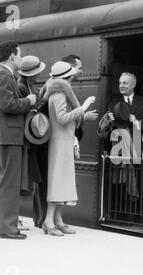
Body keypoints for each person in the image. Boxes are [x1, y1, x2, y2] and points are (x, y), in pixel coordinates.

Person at [0, 40, 37, 239]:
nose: (22, 58)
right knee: (9, 183)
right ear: (12, 56)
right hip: (10, 137)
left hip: (2, 136)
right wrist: (29, 101)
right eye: (20, 55)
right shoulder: (5, 76)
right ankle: (7, 228)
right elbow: (8, 105)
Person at [42, 61, 95, 236]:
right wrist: (83, 108)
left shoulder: (56, 92)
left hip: (61, 141)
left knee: (61, 180)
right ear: (67, 77)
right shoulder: (59, 94)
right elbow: (63, 118)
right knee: (58, 181)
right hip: (59, 142)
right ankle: (49, 222)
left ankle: (57, 220)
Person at [17, 55, 46, 230]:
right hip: (25, 139)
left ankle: (21, 216)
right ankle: (16, 216)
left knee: (28, 179)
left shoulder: (29, 85)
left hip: (30, 139)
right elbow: (27, 109)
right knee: (22, 179)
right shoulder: (22, 87)